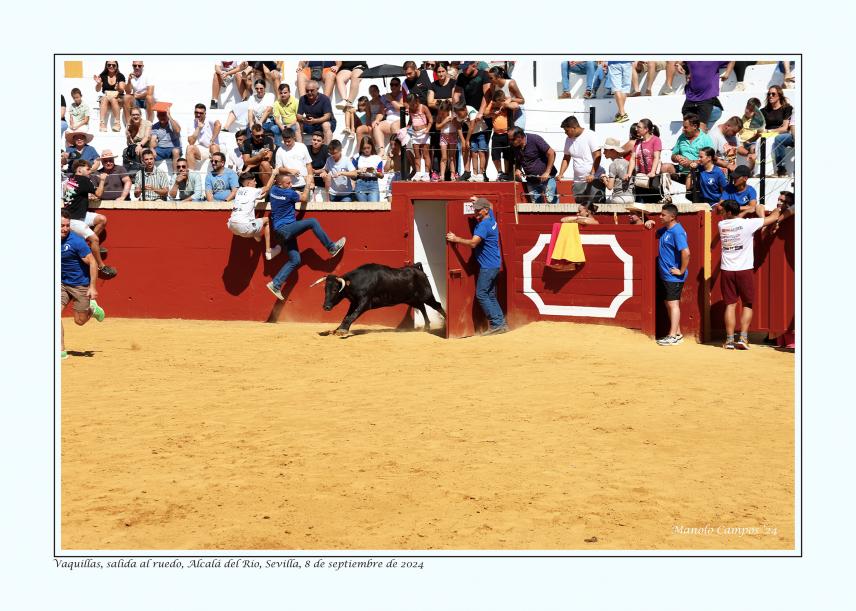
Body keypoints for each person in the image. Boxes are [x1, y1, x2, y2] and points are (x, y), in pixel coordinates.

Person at [265, 173, 347, 300]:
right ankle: (331, 247)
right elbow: (304, 198)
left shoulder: (274, 190)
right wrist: (308, 183)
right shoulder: (290, 193)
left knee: (295, 260)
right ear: (280, 184)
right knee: (312, 222)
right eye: (288, 183)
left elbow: (276, 190)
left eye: (290, 182)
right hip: (287, 229)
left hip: (279, 233)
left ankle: (275, 284)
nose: (291, 185)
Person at [717, 199, 782, 349]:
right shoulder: (748, 224)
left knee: (730, 305)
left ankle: (729, 340)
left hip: (727, 269)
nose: (721, 213)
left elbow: (736, 219)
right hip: (744, 269)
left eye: (723, 211)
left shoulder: (721, 225)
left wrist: (746, 211)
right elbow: (773, 217)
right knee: (747, 303)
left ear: (728, 212)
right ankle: (743, 338)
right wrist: (779, 208)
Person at [445, 197, 508, 335]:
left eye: (478, 210)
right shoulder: (492, 219)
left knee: (481, 294)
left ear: (485, 210)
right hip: (495, 264)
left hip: (487, 267)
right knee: (490, 295)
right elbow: (491, 205)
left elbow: (473, 243)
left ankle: (497, 324)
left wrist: (455, 239)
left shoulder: (483, 226)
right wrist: (478, 198)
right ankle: (501, 323)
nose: (476, 213)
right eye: (475, 209)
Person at [60, 209, 106, 360]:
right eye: (61, 225)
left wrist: (92, 287)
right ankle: (60, 350)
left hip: (80, 285)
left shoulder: (76, 242)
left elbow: (92, 262)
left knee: (79, 321)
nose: (65, 229)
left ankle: (92, 309)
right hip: (61, 284)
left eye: (67, 225)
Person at [642, 203, 690, 346]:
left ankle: (672, 336)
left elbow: (686, 253)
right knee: (669, 304)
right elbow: (655, 232)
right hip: (666, 275)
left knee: (673, 304)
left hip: (673, 276)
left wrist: (681, 270)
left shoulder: (677, 231)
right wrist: (649, 222)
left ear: (672, 217)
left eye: (663, 215)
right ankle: (677, 334)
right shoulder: (666, 229)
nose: (660, 217)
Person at [62, 159, 117, 278]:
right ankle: (101, 267)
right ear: (79, 170)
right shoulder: (84, 180)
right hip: (74, 220)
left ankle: (90, 245)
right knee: (95, 239)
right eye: (87, 169)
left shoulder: (71, 179)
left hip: (76, 215)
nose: (89, 172)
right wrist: (102, 180)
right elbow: (99, 194)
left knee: (101, 219)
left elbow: (78, 194)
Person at [227, 171, 280, 261]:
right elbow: (266, 188)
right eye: (254, 181)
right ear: (248, 183)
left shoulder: (239, 190)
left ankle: (256, 234)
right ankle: (268, 252)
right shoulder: (252, 190)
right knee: (267, 220)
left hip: (232, 226)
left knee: (255, 229)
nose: (256, 183)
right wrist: (274, 174)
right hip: (244, 226)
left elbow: (261, 197)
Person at [557, 115, 604, 204]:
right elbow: (566, 157)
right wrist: (561, 173)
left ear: (574, 128)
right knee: (580, 208)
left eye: (567, 130)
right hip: (578, 181)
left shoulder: (590, 135)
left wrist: (592, 174)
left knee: (595, 207)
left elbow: (597, 155)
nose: (565, 133)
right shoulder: (568, 139)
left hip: (594, 179)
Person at [666, 113, 714, 199]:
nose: (683, 129)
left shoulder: (706, 139)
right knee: (665, 167)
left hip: (697, 171)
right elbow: (673, 156)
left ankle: (689, 198)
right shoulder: (681, 137)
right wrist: (677, 158)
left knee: (691, 172)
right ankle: (667, 197)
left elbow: (710, 160)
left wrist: (691, 162)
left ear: (694, 126)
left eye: (685, 127)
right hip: (680, 172)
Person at [510, 127, 557, 203]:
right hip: (531, 180)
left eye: (512, 139)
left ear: (519, 137)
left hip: (547, 178)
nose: (510, 142)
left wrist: (547, 172)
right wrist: (518, 169)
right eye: (509, 139)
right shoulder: (515, 146)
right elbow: (518, 159)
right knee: (536, 207)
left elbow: (552, 153)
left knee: (552, 202)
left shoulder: (534, 139)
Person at [682, 61, 728, 132]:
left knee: (701, 128)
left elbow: (732, 59)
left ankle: (703, 134)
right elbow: (680, 61)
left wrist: (727, 73)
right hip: (690, 97)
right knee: (687, 126)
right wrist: (678, 65)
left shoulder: (714, 60)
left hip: (706, 98)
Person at [628, 118, 663, 204]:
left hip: (652, 178)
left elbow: (656, 157)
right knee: (640, 205)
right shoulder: (638, 142)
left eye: (639, 127)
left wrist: (652, 172)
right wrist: (629, 173)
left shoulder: (656, 140)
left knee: (654, 204)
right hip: (641, 178)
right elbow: (633, 158)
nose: (636, 129)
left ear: (646, 129)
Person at [761, 85, 794, 177]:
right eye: (769, 94)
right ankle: (762, 171)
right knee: (760, 140)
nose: (770, 96)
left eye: (773, 94)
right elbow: (760, 127)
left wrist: (770, 131)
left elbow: (785, 128)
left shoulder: (787, 108)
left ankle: (780, 169)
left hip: (781, 133)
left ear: (779, 95)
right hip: (767, 134)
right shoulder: (763, 111)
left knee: (776, 139)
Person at [454, 101, 488, 182]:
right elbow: (458, 126)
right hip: (473, 134)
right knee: (474, 153)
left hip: (481, 132)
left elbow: (472, 127)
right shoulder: (460, 113)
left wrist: (467, 141)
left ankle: (481, 174)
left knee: (481, 152)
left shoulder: (471, 111)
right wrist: (463, 140)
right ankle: (475, 174)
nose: (459, 116)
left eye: (459, 114)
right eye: (457, 114)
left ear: (464, 110)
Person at [345, 137, 385, 202]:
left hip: (373, 184)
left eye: (368, 148)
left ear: (372, 147)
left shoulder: (377, 158)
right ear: (361, 148)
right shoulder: (356, 157)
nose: (366, 150)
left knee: (374, 205)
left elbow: (381, 175)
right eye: (364, 148)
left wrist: (374, 171)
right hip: (360, 183)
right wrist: (359, 171)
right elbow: (351, 173)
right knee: (363, 206)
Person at [297, 80, 335, 145]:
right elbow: (298, 115)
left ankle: (326, 148)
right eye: (307, 90)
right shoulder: (302, 99)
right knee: (297, 124)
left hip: (325, 123)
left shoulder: (325, 99)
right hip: (310, 124)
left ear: (317, 89)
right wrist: (304, 119)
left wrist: (315, 121)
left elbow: (327, 116)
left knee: (325, 125)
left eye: (311, 90)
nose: (309, 93)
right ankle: (300, 147)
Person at [274, 127, 312, 191]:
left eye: (288, 141)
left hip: (304, 183)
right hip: (288, 186)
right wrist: (289, 170)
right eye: (285, 141)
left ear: (294, 137)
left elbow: (308, 164)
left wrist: (312, 182)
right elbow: (279, 168)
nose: (286, 143)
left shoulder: (302, 146)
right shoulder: (280, 150)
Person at [405, 93, 433, 181]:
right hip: (415, 134)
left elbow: (431, 120)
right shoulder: (410, 109)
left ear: (417, 101)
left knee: (425, 154)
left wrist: (427, 129)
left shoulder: (423, 107)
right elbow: (411, 120)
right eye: (410, 105)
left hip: (424, 133)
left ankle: (427, 174)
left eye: (414, 104)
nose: (413, 106)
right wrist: (407, 127)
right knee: (417, 155)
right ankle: (417, 173)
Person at [186, 104, 221, 171]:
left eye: (201, 113)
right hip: (203, 148)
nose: (198, 115)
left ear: (205, 113)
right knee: (189, 148)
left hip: (216, 147)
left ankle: (217, 173)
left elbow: (218, 125)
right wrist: (198, 128)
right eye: (196, 112)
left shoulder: (209, 119)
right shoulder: (191, 123)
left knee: (213, 147)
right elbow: (191, 142)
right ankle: (191, 174)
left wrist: (212, 140)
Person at [93, 60, 125, 132]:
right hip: (107, 96)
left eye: (113, 65)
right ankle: (102, 123)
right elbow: (97, 90)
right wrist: (98, 83)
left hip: (117, 96)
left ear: (116, 66)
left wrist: (118, 88)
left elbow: (122, 90)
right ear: (106, 66)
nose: (111, 66)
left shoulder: (120, 76)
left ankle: (117, 123)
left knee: (113, 99)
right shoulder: (103, 75)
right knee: (104, 99)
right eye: (109, 65)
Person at [246, 79, 279, 146]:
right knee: (248, 129)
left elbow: (268, 110)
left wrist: (260, 122)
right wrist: (251, 123)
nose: (259, 90)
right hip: (257, 122)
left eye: (261, 88)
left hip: (268, 121)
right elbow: (250, 112)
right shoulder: (251, 98)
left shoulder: (270, 95)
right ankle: (249, 148)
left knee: (259, 130)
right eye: (257, 88)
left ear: (265, 87)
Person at [601, 138, 633, 204]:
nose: (603, 152)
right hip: (631, 197)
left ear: (613, 150)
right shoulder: (627, 163)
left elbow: (610, 187)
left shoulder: (613, 165)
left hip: (619, 197)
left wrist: (604, 178)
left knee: (604, 203)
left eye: (605, 150)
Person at [435, 100, 460, 181]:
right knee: (444, 157)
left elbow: (458, 126)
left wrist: (454, 121)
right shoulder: (440, 115)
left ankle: (453, 174)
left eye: (443, 112)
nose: (442, 114)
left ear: (448, 110)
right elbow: (437, 127)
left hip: (453, 136)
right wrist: (444, 121)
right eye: (441, 112)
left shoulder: (453, 114)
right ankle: (442, 175)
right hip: (443, 136)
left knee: (452, 156)